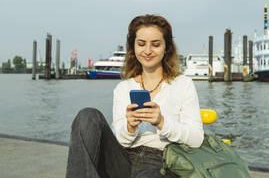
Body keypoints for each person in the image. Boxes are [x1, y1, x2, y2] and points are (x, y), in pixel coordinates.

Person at [66, 14, 204, 178]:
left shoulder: (183, 84)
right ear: (133, 48)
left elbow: (196, 139)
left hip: (163, 161)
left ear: (167, 47)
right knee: (87, 116)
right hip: (122, 159)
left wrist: (162, 122)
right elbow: (120, 140)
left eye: (156, 44)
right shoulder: (123, 88)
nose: (147, 50)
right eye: (141, 44)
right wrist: (130, 127)